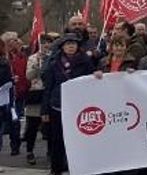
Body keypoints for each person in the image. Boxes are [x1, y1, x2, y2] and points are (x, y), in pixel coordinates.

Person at [41, 33, 95, 175]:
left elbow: (91, 82)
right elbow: (48, 87)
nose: (71, 46)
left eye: (74, 44)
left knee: (79, 139)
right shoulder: (53, 63)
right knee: (57, 139)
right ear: (62, 47)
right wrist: (44, 110)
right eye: (68, 44)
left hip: (78, 106)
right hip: (57, 105)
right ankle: (56, 168)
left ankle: (78, 167)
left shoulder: (86, 62)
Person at [24, 34, 54, 166]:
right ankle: (29, 151)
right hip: (35, 93)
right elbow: (29, 76)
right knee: (32, 126)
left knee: (49, 126)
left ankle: (50, 152)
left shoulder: (54, 57)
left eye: (48, 43)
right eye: (43, 43)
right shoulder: (32, 58)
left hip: (48, 94)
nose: (46, 45)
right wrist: (37, 65)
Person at [5, 36, 28, 156]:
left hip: (18, 94)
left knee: (15, 120)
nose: (15, 43)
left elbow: (25, 74)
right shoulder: (4, 59)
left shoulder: (23, 57)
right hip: (4, 94)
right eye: (11, 41)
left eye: (16, 41)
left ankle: (15, 145)